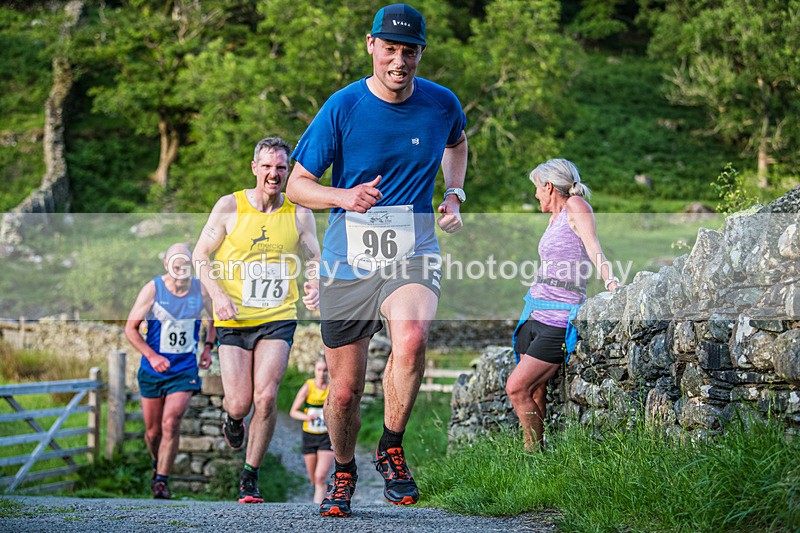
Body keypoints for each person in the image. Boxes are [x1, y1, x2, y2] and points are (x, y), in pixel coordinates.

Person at [286, 3, 468, 517]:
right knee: (342, 394)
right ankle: (343, 470)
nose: (399, 60)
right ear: (371, 45)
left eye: (409, 51)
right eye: (390, 48)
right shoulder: (342, 108)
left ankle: (390, 444)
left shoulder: (441, 103)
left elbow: (458, 143)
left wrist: (454, 194)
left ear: (420, 54)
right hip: (349, 259)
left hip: (413, 248)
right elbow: (299, 186)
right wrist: (343, 198)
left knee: (411, 338)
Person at [192, 136, 321, 504]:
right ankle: (232, 420)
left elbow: (314, 257)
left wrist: (314, 286)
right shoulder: (230, 206)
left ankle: (250, 477)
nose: (274, 174)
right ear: (254, 168)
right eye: (267, 166)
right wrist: (218, 295)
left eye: (281, 167)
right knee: (240, 403)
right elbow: (201, 256)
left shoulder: (298, 211)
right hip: (233, 317)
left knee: (265, 398)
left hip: (278, 316)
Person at [506, 159, 619, 452]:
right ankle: (540, 459)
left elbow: (594, 248)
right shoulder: (553, 218)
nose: (535, 196)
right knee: (535, 390)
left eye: (536, 188)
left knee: (516, 388)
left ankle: (532, 456)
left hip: (559, 317)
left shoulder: (576, 206)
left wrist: (611, 282)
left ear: (548, 186)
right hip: (534, 310)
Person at [125, 243, 216, 500]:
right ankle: (157, 464)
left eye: (186, 265)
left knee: (171, 422)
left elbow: (214, 319)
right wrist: (152, 356)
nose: (181, 270)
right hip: (153, 370)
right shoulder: (153, 289)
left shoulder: (201, 290)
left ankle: (162, 482)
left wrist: (208, 348)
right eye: (176, 266)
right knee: (153, 432)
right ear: (167, 265)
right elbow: (130, 329)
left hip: (184, 369)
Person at [289, 356, 335, 504]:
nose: (322, 373)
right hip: (309, 435)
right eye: (319, 370)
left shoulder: (332, 387)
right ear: (315, 371)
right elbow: (293, 411)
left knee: (320, 476)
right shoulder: (309, 386)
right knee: (313, 479)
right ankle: (324, 494)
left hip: (326, 436)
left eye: (325, 370)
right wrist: (307, 417)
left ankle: (318, 507)